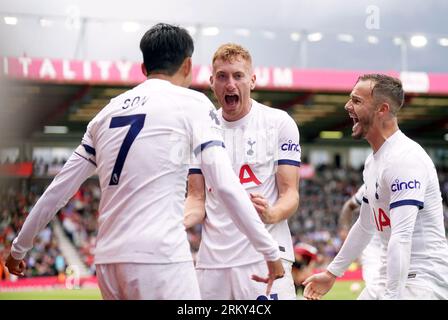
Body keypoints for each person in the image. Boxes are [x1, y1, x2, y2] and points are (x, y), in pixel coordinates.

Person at [5, 24, 285, 300]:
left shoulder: (106, 113)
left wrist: (19, 247)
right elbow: (224, 185)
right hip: (160, 258)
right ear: (187, 66)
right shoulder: (193, 104)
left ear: (143, 68)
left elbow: (59, 189)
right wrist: (270, 251)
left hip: (108, 261)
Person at [303, 73, 448, 300]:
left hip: (422, 280)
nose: (347, 106)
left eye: (357, 101)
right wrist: (332, 273)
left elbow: (401, 237)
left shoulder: (405, 159)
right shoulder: (373, 162)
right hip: (393, 274)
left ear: (382, 109)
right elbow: (364, 226)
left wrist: (392, 297)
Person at [184, 43, 300, 300]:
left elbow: (290, 194)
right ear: (212, 82)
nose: (230, 84)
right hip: (213, 264)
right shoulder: (200, 128)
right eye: (222, 76)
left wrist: (272, 213)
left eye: (238, 75)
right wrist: (174, 223)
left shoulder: (279, 123)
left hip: (265, 257)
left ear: (253, 80)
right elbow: (196, 198)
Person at [338, 184, 382, 289]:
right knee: (374, 288)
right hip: (372, 246)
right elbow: (349, 206)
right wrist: (344, 228)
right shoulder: (370, 183)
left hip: (398, 244)